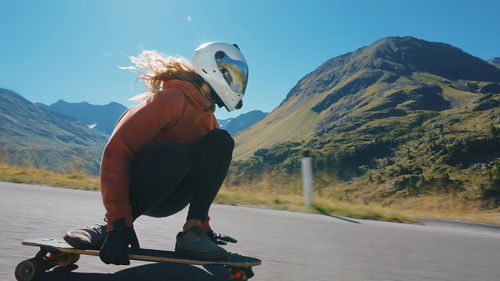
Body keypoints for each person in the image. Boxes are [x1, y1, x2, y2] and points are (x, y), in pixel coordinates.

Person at [63, 42, 249, 265]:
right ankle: (107, 229)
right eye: (233, 76)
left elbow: (205, 176)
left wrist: (205, 226)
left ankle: (193, 232)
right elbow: (116, 151)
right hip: (136, 190)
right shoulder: (170, 100)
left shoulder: (210, 122)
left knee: (221, 141)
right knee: (175, 155)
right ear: (212, 68)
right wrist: (118, 221)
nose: (237, 85)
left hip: (171, 198)